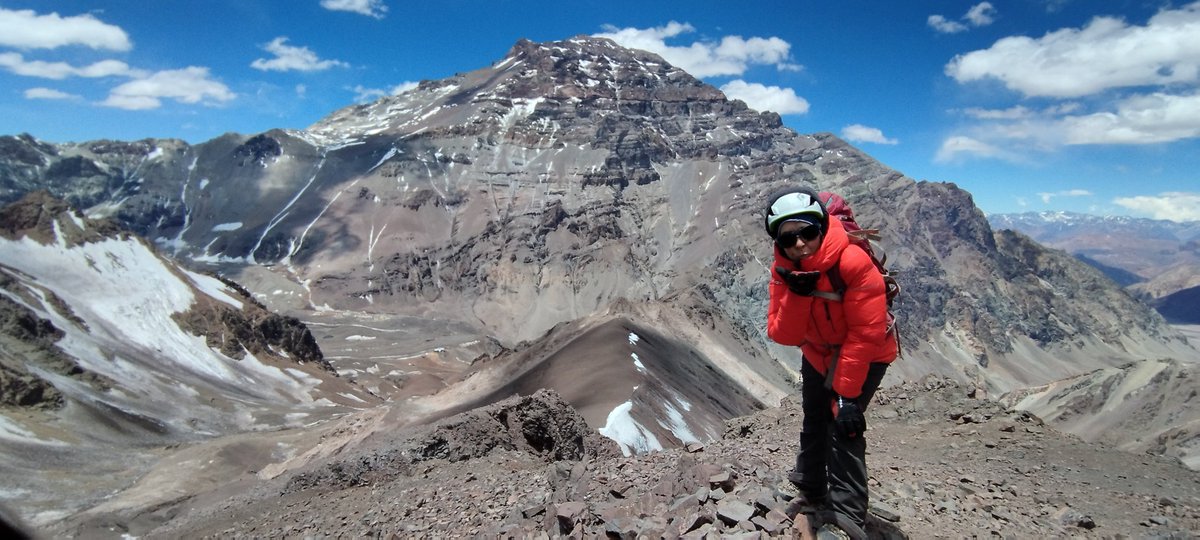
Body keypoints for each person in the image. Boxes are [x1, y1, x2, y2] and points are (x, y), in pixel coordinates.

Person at [764, 187, 898, 540]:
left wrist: (846, 395)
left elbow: (866, 333)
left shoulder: (852, 262)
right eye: (789, 238)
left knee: (844, 425)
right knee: (814, 416)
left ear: (821, 227)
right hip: (818, 353)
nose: (800, 245)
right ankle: (811, 490)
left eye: (807, 232)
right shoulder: (783, 270)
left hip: (865, 356)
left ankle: (847, 517)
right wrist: (797, 294)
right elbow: (783, 334)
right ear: (779, 242)